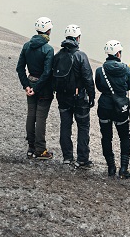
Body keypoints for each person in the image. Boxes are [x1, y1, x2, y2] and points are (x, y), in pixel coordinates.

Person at [53, 24, 95, 169]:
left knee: (65, 126)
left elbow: (53, 76)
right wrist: (92, 96)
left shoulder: (58, 55)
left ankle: (67, 157)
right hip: (79, 98)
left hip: (62, 98)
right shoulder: (81, 55)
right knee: (83, 127)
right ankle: (82, 159)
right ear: (78, 38)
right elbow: (88, 78)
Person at [16, 16, 55, 159]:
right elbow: (47, 72)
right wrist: (37, 88)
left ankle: (31, 148)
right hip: (43, 88)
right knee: (41, 118)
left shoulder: (27, 46)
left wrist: (26, 85)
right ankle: (40, 150)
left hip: (30, 82)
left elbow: (20, 68)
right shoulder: (48, 49)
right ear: (48, 31)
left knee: (31, 116)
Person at [95, 39, 130, 179]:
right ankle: (123, 168)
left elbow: (99, 86)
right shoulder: (126, 69)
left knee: (106, 137)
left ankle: (111, 167)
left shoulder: (100, 70)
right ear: (118, 53)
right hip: (120, 107)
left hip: (105, 106)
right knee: (124, 137)